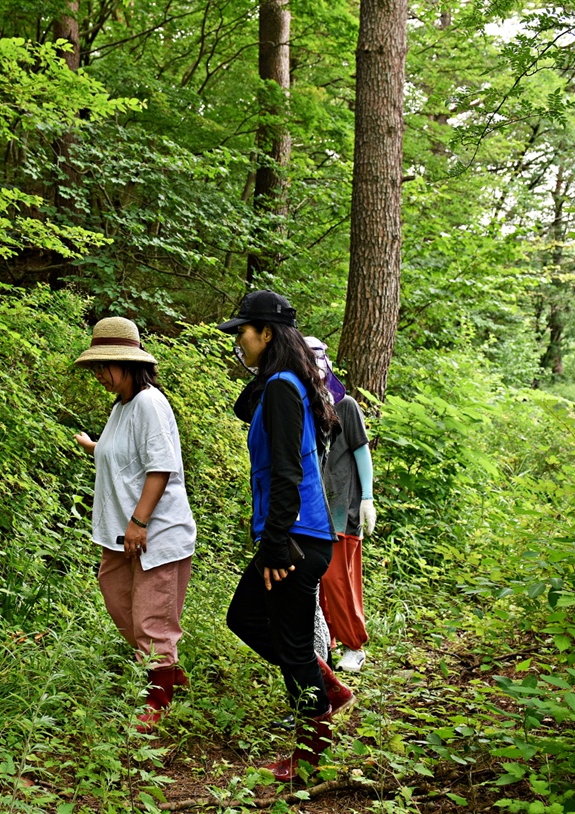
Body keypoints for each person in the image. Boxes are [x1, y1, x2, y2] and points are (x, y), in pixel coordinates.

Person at [219, 291, 354, 783]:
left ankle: (309, 760)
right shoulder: (281, 383)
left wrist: (275, 541)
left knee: (293, 646)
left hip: (295, 536)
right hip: (296, 533)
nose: (238, 341)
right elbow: (242, 408)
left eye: (243, 332)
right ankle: (326, 686)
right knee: (247, 617)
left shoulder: (282, 386)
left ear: (266, 333)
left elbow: (287, 470)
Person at [72, 317, 196, 733]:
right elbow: (123, 456)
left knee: (151, 620)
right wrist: (95, 446)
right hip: (120, 534)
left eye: (106, 366)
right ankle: (166, 669)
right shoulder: (122, 406)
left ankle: (156, 703)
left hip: (153, 533)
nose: (101, 376)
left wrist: (139, 521)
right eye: (97, 368)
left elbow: (160, 468)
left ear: (129, 363)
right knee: (118, 600)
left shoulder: (148, 402)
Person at [305, 337, 377, 675]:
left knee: (339, 581)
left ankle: (354, 645)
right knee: (316, 582)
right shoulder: (307, 409)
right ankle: (327, 641)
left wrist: (367, 498)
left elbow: (362, 451)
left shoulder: (346, 406)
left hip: (343, 512)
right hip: (315, 511)